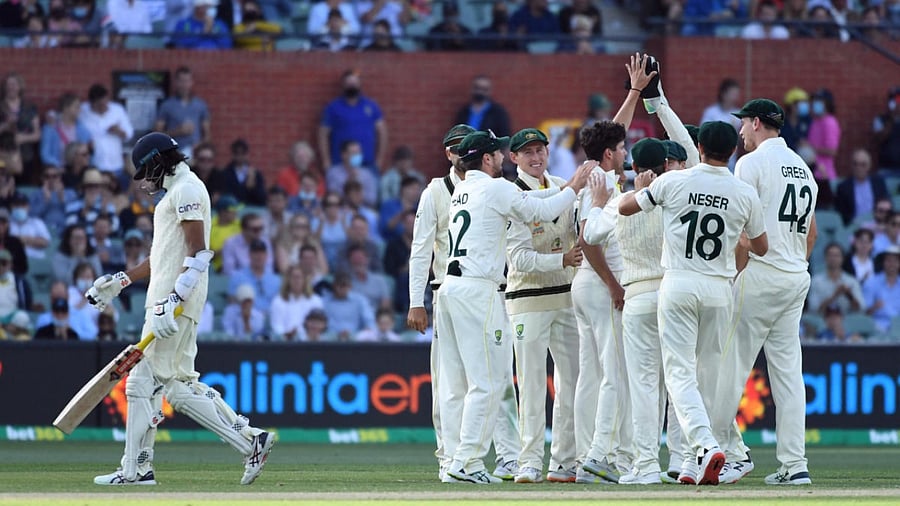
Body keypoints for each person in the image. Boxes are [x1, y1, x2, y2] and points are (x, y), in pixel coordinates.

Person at [85, 132, 274, 486]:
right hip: (168, 303)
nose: (145, 183)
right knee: (178, 385)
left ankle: (135, 470)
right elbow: (162, 259)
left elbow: (199, 252)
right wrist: (120, 281)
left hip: (171, 306)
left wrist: (173, 301)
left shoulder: (187, 189)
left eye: (146, 173)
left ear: (158, 161)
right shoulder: (175, 192)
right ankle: (251, 441)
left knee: (141, 384)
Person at [436, 129, 590, 484]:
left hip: (451, 288)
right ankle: (467, 462)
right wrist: (575, 185)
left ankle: (460, 461)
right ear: (488, 159)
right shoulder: (498, 187)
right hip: (480, 291)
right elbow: (543, 208)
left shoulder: (462, 190)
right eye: (500, 154)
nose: (504, 158)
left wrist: (567, 187)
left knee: (467, 380)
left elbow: (543, 199)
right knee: (489, 381)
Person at [618, 121, 768, 486]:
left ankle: (703, 445)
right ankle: (688, 462)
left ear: (698, 147)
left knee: (679, 374)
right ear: (734, 151)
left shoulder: (673, 181)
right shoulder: (743, 191)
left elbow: (624, 208)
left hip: (680, 283)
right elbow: (762, 247)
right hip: (719, 287)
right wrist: (737, 234)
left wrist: (646, 191)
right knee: (708, 376)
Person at [710, 99, 817, 486]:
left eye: (743, 124)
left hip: (760, 274)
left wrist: (735, 272)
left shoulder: (751, 165)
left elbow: (741, 228)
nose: (740, 132)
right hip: (795, 278)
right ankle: (795, 464)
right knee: (789, 374)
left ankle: (723, 453)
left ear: (757, 123)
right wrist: (792, 265)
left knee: (729, 365)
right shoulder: (806, 170)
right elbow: (813, 233)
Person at [502, 128, 581, 484]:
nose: (536, 158)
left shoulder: (564, 185)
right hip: (528, 300)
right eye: (527, 153)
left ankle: (564, 461)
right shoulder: (511, 195)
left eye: (540, 150)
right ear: (513, 158)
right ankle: (529, 461)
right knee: (532, 386)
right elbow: (519, 259)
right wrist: (562, 259)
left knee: (573, 382)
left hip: (567, 297)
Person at [318, 69, 388, 172]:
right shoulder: (332, 108)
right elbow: (322, 134)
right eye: (349, 83)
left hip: (367, 164)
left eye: (354, 83)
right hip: (340, 165)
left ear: (359, 85)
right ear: (343, 85)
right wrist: (326, 161)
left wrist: (379, 160)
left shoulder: (371, 106)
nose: (352, 85)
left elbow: (382, 132)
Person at [80, 84, 134, 190]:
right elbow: (66, 113)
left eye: (106, 102)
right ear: (92, 103)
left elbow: (129, 133)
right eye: (100, 105)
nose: (104, 107)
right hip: (95, 166)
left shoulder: (117, 110)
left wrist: (118, 131)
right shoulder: (83, 111)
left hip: (116, 165)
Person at [154, 66, 211, 159]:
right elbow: (157, 134)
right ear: (176, 82)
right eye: (181, 81)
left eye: (187, 81)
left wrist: (198, 146)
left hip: (195, 157)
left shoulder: (200, 105)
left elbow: (207, 136)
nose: (184, 85)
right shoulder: (167, 105)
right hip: (174, 155)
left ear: (192, 82)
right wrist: (178, 131)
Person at [0, 72, 41, 179]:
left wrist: (23, 138)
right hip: (4, 155)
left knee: (24, 187)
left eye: (14, 84)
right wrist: (5, 126)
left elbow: (37, 134)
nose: (11, 87)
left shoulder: (29, 107)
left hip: (25, 155)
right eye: (8, 84)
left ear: (20, 87)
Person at [269, 264, 324, 341]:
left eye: (299, 277)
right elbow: (277, 327)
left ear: (305, 279)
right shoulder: (278, 301)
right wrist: (288, 335)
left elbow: (320, 325)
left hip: (310, 343)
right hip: (286, 344)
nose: (297, 280)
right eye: (294, 277)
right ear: (288, 280)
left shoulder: (315, 300)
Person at [835, 148, 888, 226]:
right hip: (855, 227)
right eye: (855, 164)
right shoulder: (843, 187)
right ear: (851, 165)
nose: (859, 168)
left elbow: (886, 204)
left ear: (869, 165)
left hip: (878, 224)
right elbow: (842, 214)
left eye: (863, 164)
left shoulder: (879, 183)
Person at [808, 242, 864, 317]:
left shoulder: (851, 281)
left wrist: (849, 295)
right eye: (830, 255)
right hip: (821, 321)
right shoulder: (816, 281)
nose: (833, 258)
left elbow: (861, 309)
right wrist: (835, 295)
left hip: (847, 322)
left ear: (842, 258)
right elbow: (814, 309)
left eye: (836, 255)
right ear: (825, 257)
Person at [39, 93, 92, 170]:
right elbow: (45, 154)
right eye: (76, 107)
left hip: (77, 172)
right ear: (66, 108)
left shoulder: (83, 130)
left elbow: (87, 154)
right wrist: (59, 166)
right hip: (57, 173)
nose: (80, 110)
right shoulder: (50, 128)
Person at [227, 238, 281, 313]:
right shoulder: (237, 277)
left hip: (271, 318)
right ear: (249, 254)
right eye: (255, 252)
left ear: (266, 255)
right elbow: (232, 302)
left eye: (262, 252)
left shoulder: (276, 279)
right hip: (248, 318)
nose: (259, 256)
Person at [322, 271, 375, 341]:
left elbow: (369, 321)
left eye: (346, 285)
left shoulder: (360, 300)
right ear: (334, 285)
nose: (342, 288)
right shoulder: (323, 301)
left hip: (354, 338)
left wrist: (368, 330)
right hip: (330, 338)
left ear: (350, 286)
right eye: (340, 285)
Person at [863, 246, 900, 334]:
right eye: (888, 260)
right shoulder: (871, 283)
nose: (892, 264)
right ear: (883, 262)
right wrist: (874, 307)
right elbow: (864, 313)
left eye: (896, 261)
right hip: (877, 326)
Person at [806, 88, 841, 181]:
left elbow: (832, 151)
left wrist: (810, 148)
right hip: (813, 172)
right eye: (815, 100)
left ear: (827, 103)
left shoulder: (830, 122)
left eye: (819, 101)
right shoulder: (814, 122)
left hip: (825, 174)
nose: (815, 103)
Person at [220, 139, 267, 207]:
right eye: (237, 153)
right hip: (232, 209)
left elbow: (262, 199)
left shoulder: (256, 174)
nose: (240, 156)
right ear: (233, 154)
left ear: (247, 154)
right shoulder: (225, 173)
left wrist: (252, 187)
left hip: (251, 209)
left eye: (243, 153)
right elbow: (226, 195)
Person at [8, 190, 50, 259]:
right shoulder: (5, 223)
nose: (20, 208)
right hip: (12, 262)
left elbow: (45, 243)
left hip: (36, 261)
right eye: (16, 205)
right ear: (11, 207)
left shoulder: (37, 222)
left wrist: (19, 240)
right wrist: (33, 240)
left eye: (23, 205)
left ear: (28, 207)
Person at [873, 87, 900, 174]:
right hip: (886, 168)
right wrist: (892, 118)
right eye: (895, 100)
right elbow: (879, 139)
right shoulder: (880, 120)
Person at [780, 87, 811, 151]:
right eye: (802, 103)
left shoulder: (807, 121)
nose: (805, 105)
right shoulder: (781, 124)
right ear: (792, 105)